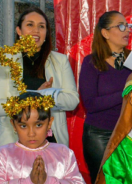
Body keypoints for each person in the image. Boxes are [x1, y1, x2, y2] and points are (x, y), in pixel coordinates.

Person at [0, 7, 79, 146]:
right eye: (30, 25)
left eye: (41, 26)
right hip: (12, 142)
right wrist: (34, 96)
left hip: (51, 141)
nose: (36, 30)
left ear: (46, 32)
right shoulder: (5, 60)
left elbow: (73, 101)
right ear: (19, 31)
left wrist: (46, 95)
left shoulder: (60, 61)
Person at [0, 92, 87, 184]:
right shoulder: (4, 155)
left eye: (38, 125)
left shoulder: (64, 153)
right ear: (13, 125)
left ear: (49, 123)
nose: (31, 133)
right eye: (23, 126)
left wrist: (47, 182)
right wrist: (29, 183)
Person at [79, 10, 132, 184]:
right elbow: (90, 103)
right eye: (121, 26)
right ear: (105, 33)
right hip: (99, 136)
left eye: (128, 26)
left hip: (130, 134)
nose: (127, 31)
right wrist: (125, 91)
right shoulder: (91, 62)